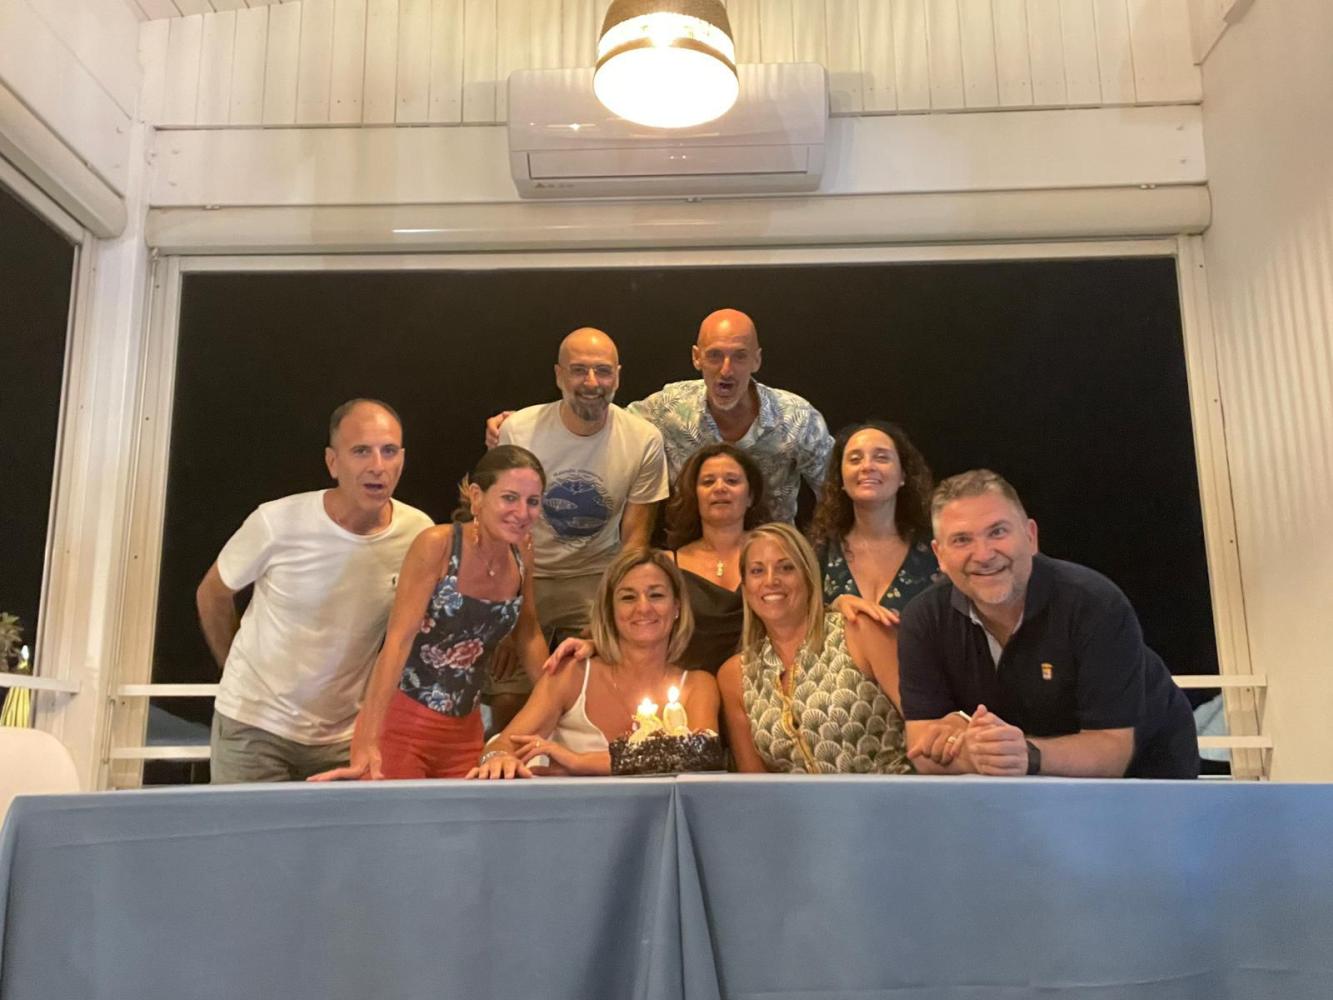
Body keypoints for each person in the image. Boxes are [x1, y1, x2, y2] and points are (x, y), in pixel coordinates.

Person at [898, 469, 1199, 779]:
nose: (984, 555)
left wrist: (1024, 755)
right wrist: (977, 755)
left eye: (998, 532)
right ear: (940, 555)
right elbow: (921, 748)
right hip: (1017, 782)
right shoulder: (922, 619)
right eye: (962, 540)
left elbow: (1112, 752)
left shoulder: (1095, 604)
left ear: (1030, 537)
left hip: (1149, 775)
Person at [197, 399, 433, 783]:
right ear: (333, 462)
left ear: (402, 460)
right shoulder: (277, 521)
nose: (378, 465)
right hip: (254, 728)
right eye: (361, 451)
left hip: (345, 737)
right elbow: (212, 594)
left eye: (389, 451)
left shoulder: (418, 532)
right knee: (246, 826)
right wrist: (233, 670)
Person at [311, 446, 550, 780]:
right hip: (400, 727)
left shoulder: (523, 551)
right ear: (477, 496)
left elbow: (529, 633)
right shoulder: (437, 544)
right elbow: (397, 642)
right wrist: (367, 740)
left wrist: (564, 707)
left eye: (533, 501)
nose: (522, 512)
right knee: (398, 815)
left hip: (465, 734)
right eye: (509, 498)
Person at [488, 308, 833, 524]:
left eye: (739, 356)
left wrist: (817, 563)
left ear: (757, 360)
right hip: (691, 561)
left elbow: (835, 496)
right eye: (714, 355)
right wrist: (523, 424)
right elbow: (599, 415)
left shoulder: (796, 419)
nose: (726, 370)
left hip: (772, 560)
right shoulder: (669, 409)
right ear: (696, 358)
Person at [488, 327, 670, 729]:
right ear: (558, 375)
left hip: (596, 576)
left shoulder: (643, 440)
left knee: (602, 687)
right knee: (507, 695)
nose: (591, 383)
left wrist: (607, 611)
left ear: (618, 376)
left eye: (602, 371)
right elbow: (504, 530)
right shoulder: (520, 430)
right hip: (526, 572)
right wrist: (511, 615)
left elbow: (635, 539)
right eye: (579, 371)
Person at [467, 548, 719, 779]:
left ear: (676, 608)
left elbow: (700, 756)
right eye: (628, 597)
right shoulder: (571, 673)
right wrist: (497, 758)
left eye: (656, 595)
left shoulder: (699, 685)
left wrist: (579, 762)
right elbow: (503, 744)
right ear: (610, 610)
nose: (643, 607)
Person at [716, 523, 911, 774]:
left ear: (808, 577)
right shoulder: (735, 676)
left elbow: (925, 723)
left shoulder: (859, 631)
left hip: (890, 795)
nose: (771, 580)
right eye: (757, 571)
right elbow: (754, 784)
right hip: (795, 802)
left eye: (786, 568)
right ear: (745, 587)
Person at [809, 420, 939, 625]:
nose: (867, 466)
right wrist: (832, 609)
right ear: (841, 479)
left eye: (881, 457)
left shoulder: (936, 549)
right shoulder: (818, 551)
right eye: (855, 459)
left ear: (903, 475)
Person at [663, 443, 768, 673]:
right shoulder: (667, 564)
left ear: (750, 496)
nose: (720, 488)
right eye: (708, 482)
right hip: (688, 685)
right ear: (694, 495)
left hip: (764, 682)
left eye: (732, 481)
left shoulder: (776, 554)